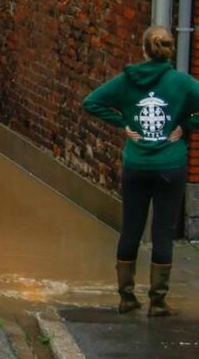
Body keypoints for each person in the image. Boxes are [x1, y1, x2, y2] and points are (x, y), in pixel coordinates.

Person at [82, 25, 195, 317]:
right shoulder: (183, 83)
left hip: (137, 165)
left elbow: (90, 102)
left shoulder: (127, 81)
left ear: (144, 50)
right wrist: (187, 126)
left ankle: (127, 298)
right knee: (163, 232)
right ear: (169, 50)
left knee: (131, 228)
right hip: (171, 165)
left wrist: (124, 124)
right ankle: (158, 302)